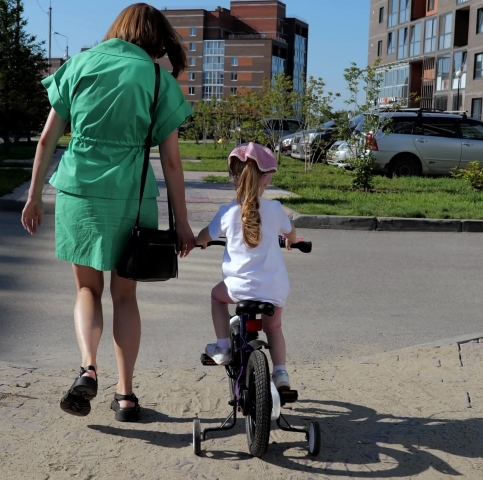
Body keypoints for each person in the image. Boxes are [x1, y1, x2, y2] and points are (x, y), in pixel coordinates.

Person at [21, 3, 195, 423]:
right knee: (125, 297)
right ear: (153, 37)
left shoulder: (78, 65)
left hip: (78, 193)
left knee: (86, 291)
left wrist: (33, 196)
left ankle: (87, 367)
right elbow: (171, 161)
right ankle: (126, 396)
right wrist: (184, 223)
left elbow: (47, 140)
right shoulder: (156, 78)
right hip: (131, 199)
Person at [195, 143, 298, 391]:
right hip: (274, 289)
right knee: (273, 327)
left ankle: (222, 346)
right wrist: (292, 242)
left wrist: (200, 242)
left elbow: (203, 236)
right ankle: (281, 373)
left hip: (237, 289)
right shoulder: (275, 209)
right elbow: (292, 235)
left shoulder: (228, 212)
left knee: (216, 297)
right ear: (266, 178)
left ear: (233, 178)